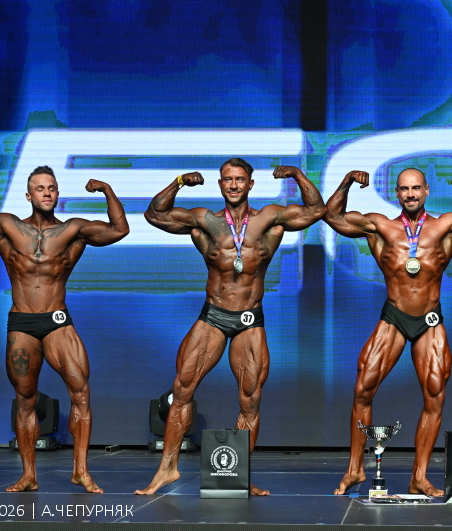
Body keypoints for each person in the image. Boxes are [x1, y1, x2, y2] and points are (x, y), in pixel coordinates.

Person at [135, 159, 325, 496]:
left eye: (239, 179)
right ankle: (167, 469)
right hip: (213, 315)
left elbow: (316, 210)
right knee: (182, 389)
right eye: (227, 180)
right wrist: (178, 181)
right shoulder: (206, 221)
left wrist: (297, 175)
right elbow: (155, 214)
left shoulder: (269, 219)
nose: (233, 185)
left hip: (250, 319)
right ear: (220, 184)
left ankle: (240, 475)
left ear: (250, 184)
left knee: (250, 399)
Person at [0, 168, 128, 493]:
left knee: (81, 392)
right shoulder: (6, 226)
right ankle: (28, 475)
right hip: (22, 322)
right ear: (29, 195)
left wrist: (106, 189)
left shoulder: (73, 229)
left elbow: (119, 229)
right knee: (25, 399)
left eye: (52, 188)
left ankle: (81, 471)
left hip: (57, 320)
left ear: (57, 194)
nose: (46, 193)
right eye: (40, 188)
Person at [327, 167, 452, 497]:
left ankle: (419, 477)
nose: (410, 194)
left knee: (435, 394)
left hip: (429, 320)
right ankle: (354, 469)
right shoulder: (380, 226)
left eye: (416, 188)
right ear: (397, 193)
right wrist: (347, 181)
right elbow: (333, 216)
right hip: (394, 316)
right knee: (363, 388)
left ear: (426, 192)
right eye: (404, 189)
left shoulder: (446, 225)